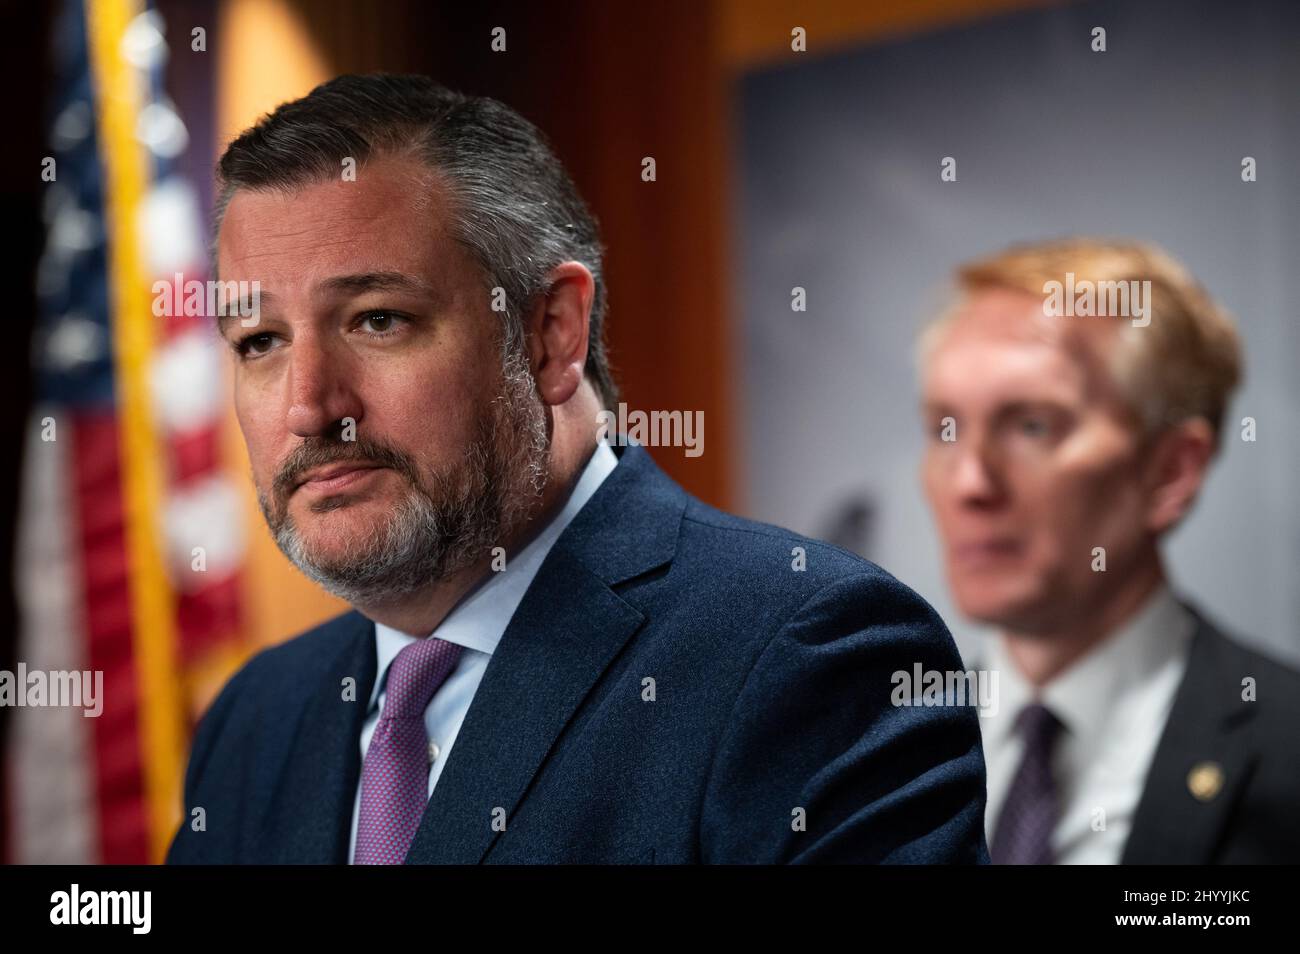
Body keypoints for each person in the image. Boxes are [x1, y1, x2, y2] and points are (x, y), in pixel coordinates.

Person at [166, 74, 987, 864]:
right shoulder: (256, 721)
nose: (310, 406)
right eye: (260, 342)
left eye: (379, 319)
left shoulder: (809, 656)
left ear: (551, 332)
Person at [918, 238, 1300, 864]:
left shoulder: (1286, 750)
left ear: (1171, 472)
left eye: (1033, 426)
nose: (969, 483)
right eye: (944, 430)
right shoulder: (879, 749)